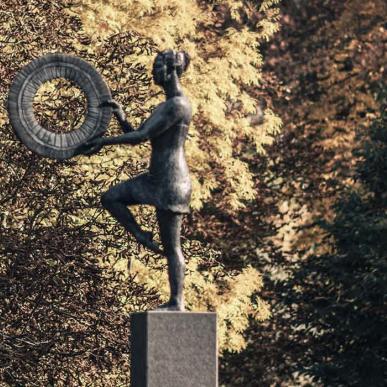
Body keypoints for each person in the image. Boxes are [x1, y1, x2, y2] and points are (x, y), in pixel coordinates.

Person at [78, 50, 192, 311]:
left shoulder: (178, 106)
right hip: (155, 179)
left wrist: (102, 142)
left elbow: (140, 138)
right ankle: (141, 234)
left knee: (172, 247)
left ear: (171, 70)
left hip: (172, 183)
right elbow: (141, 134)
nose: (153, 71)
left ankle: (177, 301)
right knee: (111, 198)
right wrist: (122, 118)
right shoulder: (165, 105)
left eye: (157, 66)